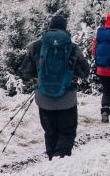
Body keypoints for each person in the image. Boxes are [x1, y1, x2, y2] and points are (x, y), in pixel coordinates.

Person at [22, 14, 91, 160]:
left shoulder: (36, 46)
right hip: (67, 98)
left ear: (50, 27)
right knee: (67, 132)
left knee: (50, 131)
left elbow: (26, 71)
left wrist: (39, 77)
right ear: (65, 28)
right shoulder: (72, 48)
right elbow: (85, 71)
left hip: (44, 98)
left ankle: (51, 159)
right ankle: (60, 160)